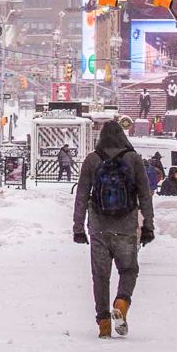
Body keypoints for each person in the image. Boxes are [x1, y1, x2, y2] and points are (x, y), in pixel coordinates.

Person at [72, 120, 155, 339]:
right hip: (126, 227)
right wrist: (148, 226)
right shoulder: (133, 159)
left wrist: (78, 227)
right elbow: (145, 196)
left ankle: (104, 323)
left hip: (98, 228)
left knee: (100, 276)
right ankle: (121, 303)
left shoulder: (92, 160)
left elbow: (81, 195)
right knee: (129, 270)